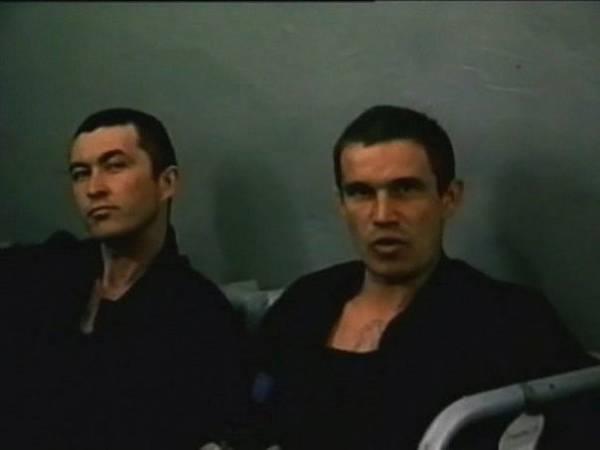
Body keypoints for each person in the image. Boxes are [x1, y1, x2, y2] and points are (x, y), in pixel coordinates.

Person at [255, 105, 596, 449]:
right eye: (361, 192)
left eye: (405, 189)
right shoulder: (304, 304)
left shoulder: (507, 320)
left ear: (449, 198)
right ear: (341, 204)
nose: (383, 215)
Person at [0, 108, 249, 450]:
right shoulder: (41, 271)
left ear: (167, 182)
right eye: (80, 173)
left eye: (115, 166)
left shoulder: (196, 314)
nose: (94, 188)